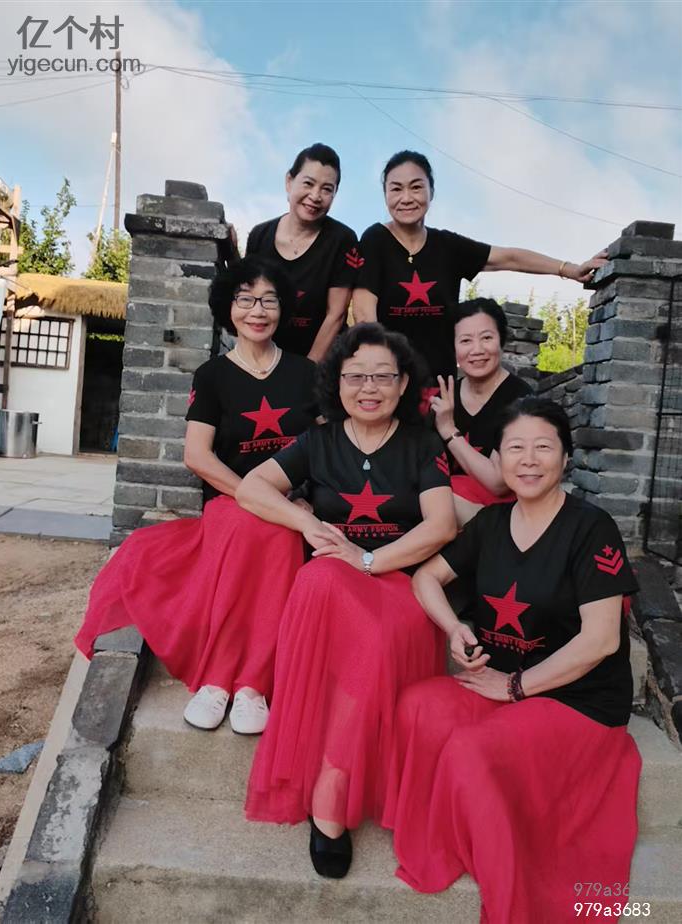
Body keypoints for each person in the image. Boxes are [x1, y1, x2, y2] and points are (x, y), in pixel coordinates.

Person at [384, 397, 641, 924]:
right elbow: (426, 577)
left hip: (576, 700)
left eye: (543, 447)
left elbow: (601, 641)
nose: (528, 460)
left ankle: (513, 890)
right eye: (515, 448)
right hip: (500, 681)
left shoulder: (591, 528)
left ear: (565, 457)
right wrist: (454, 627)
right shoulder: (491, 523)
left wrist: (515, 687)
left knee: (470, 750)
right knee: (417, 706)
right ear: (497, 460)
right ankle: (451, 838)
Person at [236, 322, 457, 879]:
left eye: (383, 376)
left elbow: (441, 525)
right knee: (317, 579)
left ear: (403, 384)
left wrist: (369, 560)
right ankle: (329, 782)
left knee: (374, 639)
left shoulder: (422, 445)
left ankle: (332, 787)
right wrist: (306, 525)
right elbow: (251, 487)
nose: (369, 388)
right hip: (334, 585)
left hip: (398, 585)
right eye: (355, 376)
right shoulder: (320, 441)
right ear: (337, 382)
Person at [75, 256, 317, 735]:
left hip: (289, 503)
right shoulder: (212, 376)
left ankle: (253, 685)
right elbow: (197, 456)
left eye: (268, 301)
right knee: (249, 526)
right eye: (246, 299)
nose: (257, 311)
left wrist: (303, 499)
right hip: (230, 501)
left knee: (282, 536)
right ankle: (217, 679)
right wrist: (254, 496)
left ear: (283, 309)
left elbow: (324, 449)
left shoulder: (306, 373)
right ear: (229, 307)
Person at [353, 150, 606, 384]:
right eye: (396, 189)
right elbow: (364, 314)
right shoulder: (375, 240)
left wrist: (570, 270)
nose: (406, 198)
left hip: (439, 386)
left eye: (416, 187)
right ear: (385, 194)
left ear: (431, 191)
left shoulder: (447, 246)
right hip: (389, 383)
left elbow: (509, 258)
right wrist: (385, 374)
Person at [246, 143, 359, 362]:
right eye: (308, 183)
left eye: (327, 189)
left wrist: (308, 370)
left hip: (321, 362)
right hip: (266, 357)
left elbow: (336, 315)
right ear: (289, 181)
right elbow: (249, 298)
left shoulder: (342, 239)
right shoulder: (260, 235)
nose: (315, 196)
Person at [430, 297, 532, 526]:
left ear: (501, 341)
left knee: (437, 499)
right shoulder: (445, 395)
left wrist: (448, 430)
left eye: (486, 338)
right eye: (465, 340)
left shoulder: (520, 399)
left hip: (505, 513)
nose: (477, 350)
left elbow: (498, 482)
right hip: (451, 509)